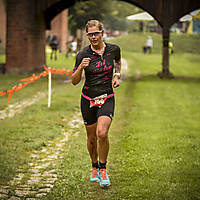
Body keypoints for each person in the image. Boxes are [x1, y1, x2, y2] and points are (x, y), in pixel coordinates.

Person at [72, 20, 121, 188]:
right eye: (90, 34)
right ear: (87, 36)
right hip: (88, 99)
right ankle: (94, 165)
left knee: (102, 133)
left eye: (96, 33)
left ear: (102, 32)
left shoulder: (113, 49)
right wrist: (80, 68)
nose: (93, 37)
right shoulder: (82, 54)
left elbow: (118, 62)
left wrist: (117, 75)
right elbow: (74, 81)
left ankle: (102, 168)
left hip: (107, 97)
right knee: (91, 139)